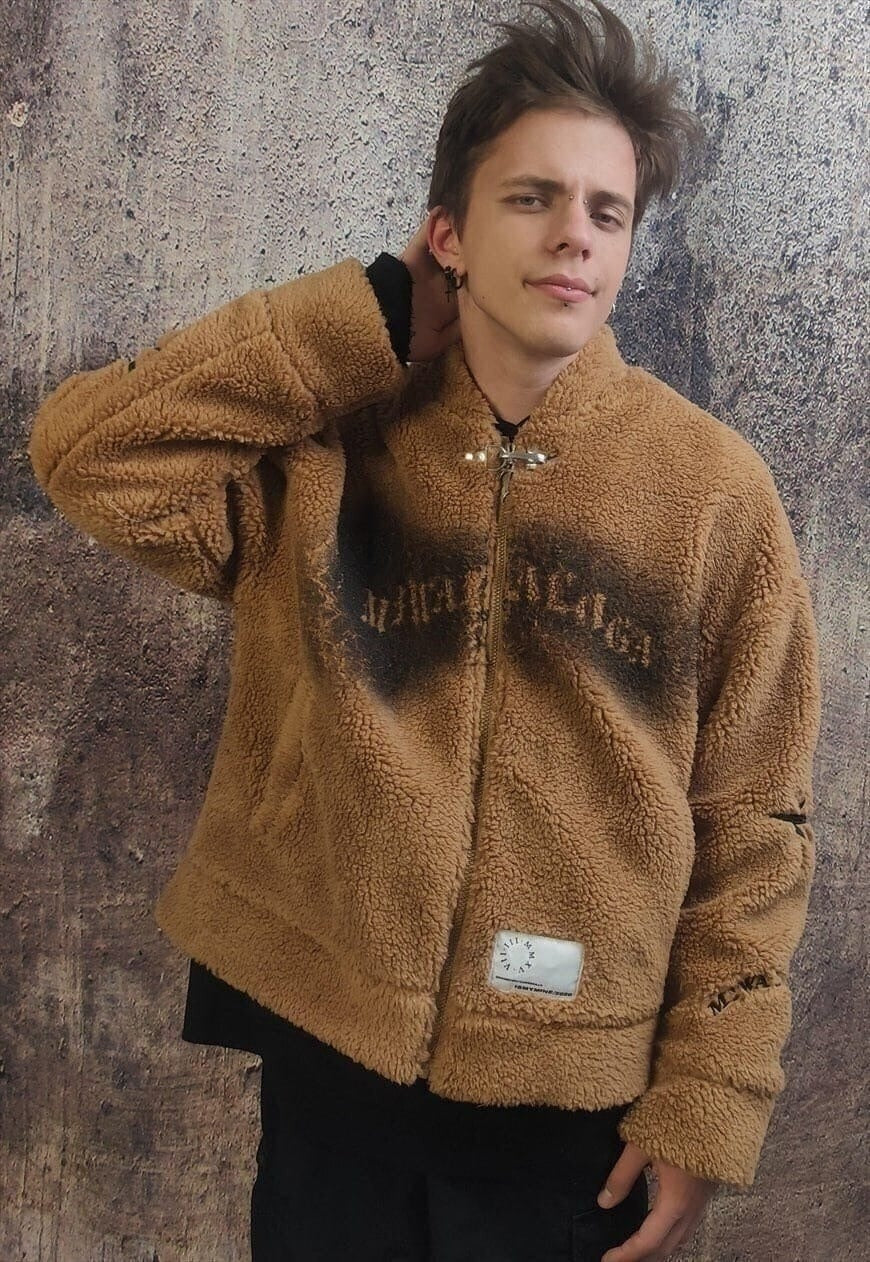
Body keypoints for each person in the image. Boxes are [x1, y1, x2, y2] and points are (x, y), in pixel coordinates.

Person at [27, 1, 822, 1259]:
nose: (574, 235)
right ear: (447, 232)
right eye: (532, 198)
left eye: (607, 211)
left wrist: (709, 1095)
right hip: (331, 1080)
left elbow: (757, 821)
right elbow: (89, 457)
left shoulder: (714, 495)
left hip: (575, 1117)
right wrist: (365, 315)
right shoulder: (324, 451)